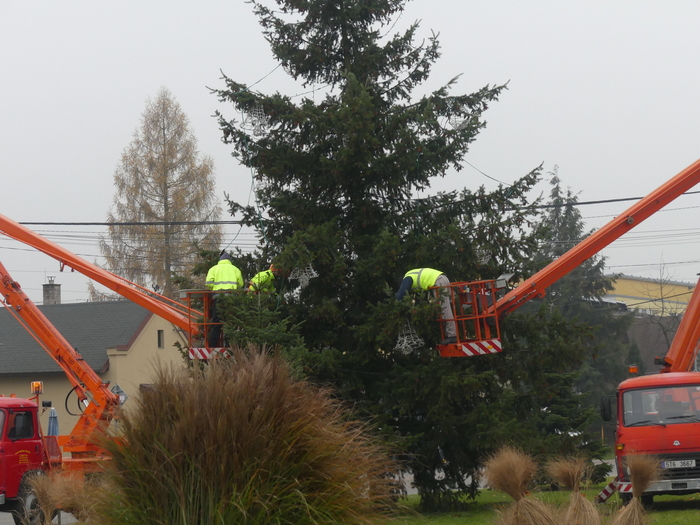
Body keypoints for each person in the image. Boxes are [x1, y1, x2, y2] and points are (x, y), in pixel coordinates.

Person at [396, 268, 457, 345]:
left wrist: (396, 307)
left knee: (444, 309)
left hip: (438, 281)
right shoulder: (414, 279)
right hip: (441, 279)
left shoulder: (407, 278)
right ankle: (448, 334)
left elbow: (401, 294)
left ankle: (452, 335)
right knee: (445, 307)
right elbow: (419, 298)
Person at [205, 252, 244, 347]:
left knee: (216, 322)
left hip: (218, 297)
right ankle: (229, 344)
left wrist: (214, 289)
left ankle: (213, 345)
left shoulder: (213, 269)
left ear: (220, 260)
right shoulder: (235, 269)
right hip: (231, 298)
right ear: (229, 261)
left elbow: (209, 283)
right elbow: (241, 284)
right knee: (230, 322)